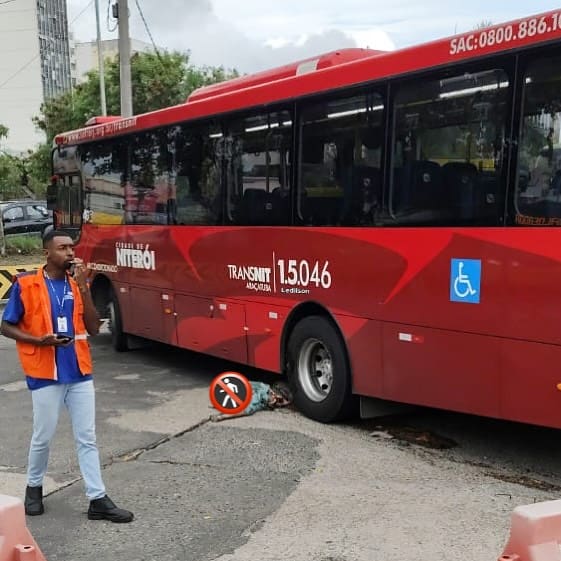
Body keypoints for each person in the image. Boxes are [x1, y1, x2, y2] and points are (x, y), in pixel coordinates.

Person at [0, 230, 133, 523]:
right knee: (42, 437)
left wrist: (85, 287)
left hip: (79, 372)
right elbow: (5, 326)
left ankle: (97, 498)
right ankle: (33, 488)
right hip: (44, 373)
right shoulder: (27, 285)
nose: (70, 253)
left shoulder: (76, 285)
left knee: (87, 437)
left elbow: (95, 329)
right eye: (62, 248)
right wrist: (38, 341)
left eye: (71, 248)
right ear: (47, 253)